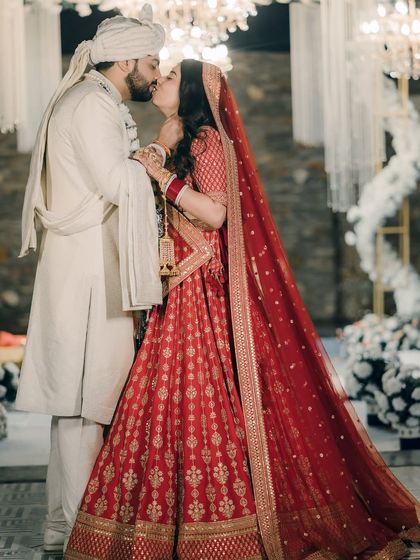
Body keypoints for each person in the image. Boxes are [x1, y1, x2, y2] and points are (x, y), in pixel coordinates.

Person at [65, 60, 420, 560]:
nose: (160, 80)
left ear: (188, 92)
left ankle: (221, 529)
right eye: (159, 73)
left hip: (201, 294)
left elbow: (215, 213)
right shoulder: (182, 138)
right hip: (179, 291)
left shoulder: (209, 139)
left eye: (169, 76)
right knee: (168, 406)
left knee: (201, 405)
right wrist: (161, 157)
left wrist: (162, 175)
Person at [15, 6, 182, 552]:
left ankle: (65, 527)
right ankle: (81, 532)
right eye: (151, 62)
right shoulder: (90, 103)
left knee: (84, 405)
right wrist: (161, 149)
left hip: (91, 264)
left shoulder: (97, 98)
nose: (156, 74)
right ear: (127, 59)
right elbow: (118, 182)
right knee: (88, 402)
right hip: (87, 272)